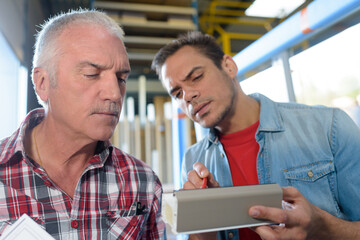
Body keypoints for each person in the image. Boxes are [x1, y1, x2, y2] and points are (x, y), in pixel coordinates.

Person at [152, 31, 360, 240]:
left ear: (228, 66)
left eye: (196, 77)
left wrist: (322, 226)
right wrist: (204, 229)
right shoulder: (193, 162)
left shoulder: (329, 127)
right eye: (177, 94)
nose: (188, 96)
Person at [0, 9, 166, 239]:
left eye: (121, 78)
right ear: (42, 83)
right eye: (91, 74)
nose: (115, 94)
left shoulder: (142, 182)